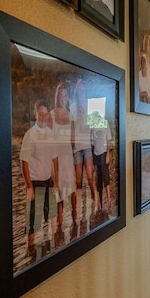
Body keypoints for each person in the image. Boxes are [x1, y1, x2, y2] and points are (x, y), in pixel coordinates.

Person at [20, 99, 58, 237]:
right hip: (35, 184)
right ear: (35, 114)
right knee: (33, 223)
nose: (43, 117)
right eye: (40, 113)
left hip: (48, 181)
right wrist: (29, 187)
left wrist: (56, 182)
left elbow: (54, 159)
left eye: (45, 114)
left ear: (48, 115)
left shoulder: (50, 133)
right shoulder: (30, 135)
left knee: (52, 216)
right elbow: (23, 162)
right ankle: (30, 252)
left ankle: (50, 248)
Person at [50, 82, 76, 228]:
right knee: (58, 189)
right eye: (61, 95)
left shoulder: (70, 114)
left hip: (67, 155)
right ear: (57, 96)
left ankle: (74, 220)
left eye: (65, 95)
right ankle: (59, 223)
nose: (63, 98)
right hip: (56, 155)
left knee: (71, 187)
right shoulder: (52, 114)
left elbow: (72, 138)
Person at [70, 79, 99, 211]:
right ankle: (79, 209)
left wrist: (95, 148)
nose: (80, 93)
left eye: (82, 90)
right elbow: (71, 130)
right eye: (79, 90)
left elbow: (94, 129)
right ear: (76, 92)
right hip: (76, 148)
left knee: (90, 176)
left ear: (84, 92)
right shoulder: (72, 107)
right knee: (78, 181)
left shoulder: (90, 107)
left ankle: (96, 203)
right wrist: (71, 146)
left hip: (87, 146)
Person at [91, 125, 112, 212]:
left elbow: (108, 141)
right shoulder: (92, 126)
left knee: (105, 178)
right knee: (98, 180)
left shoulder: (106, 124)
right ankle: (99, 204)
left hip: (103, 154)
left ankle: (109, 200)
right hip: (96, 154)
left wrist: (107, 155)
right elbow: (92, 143)